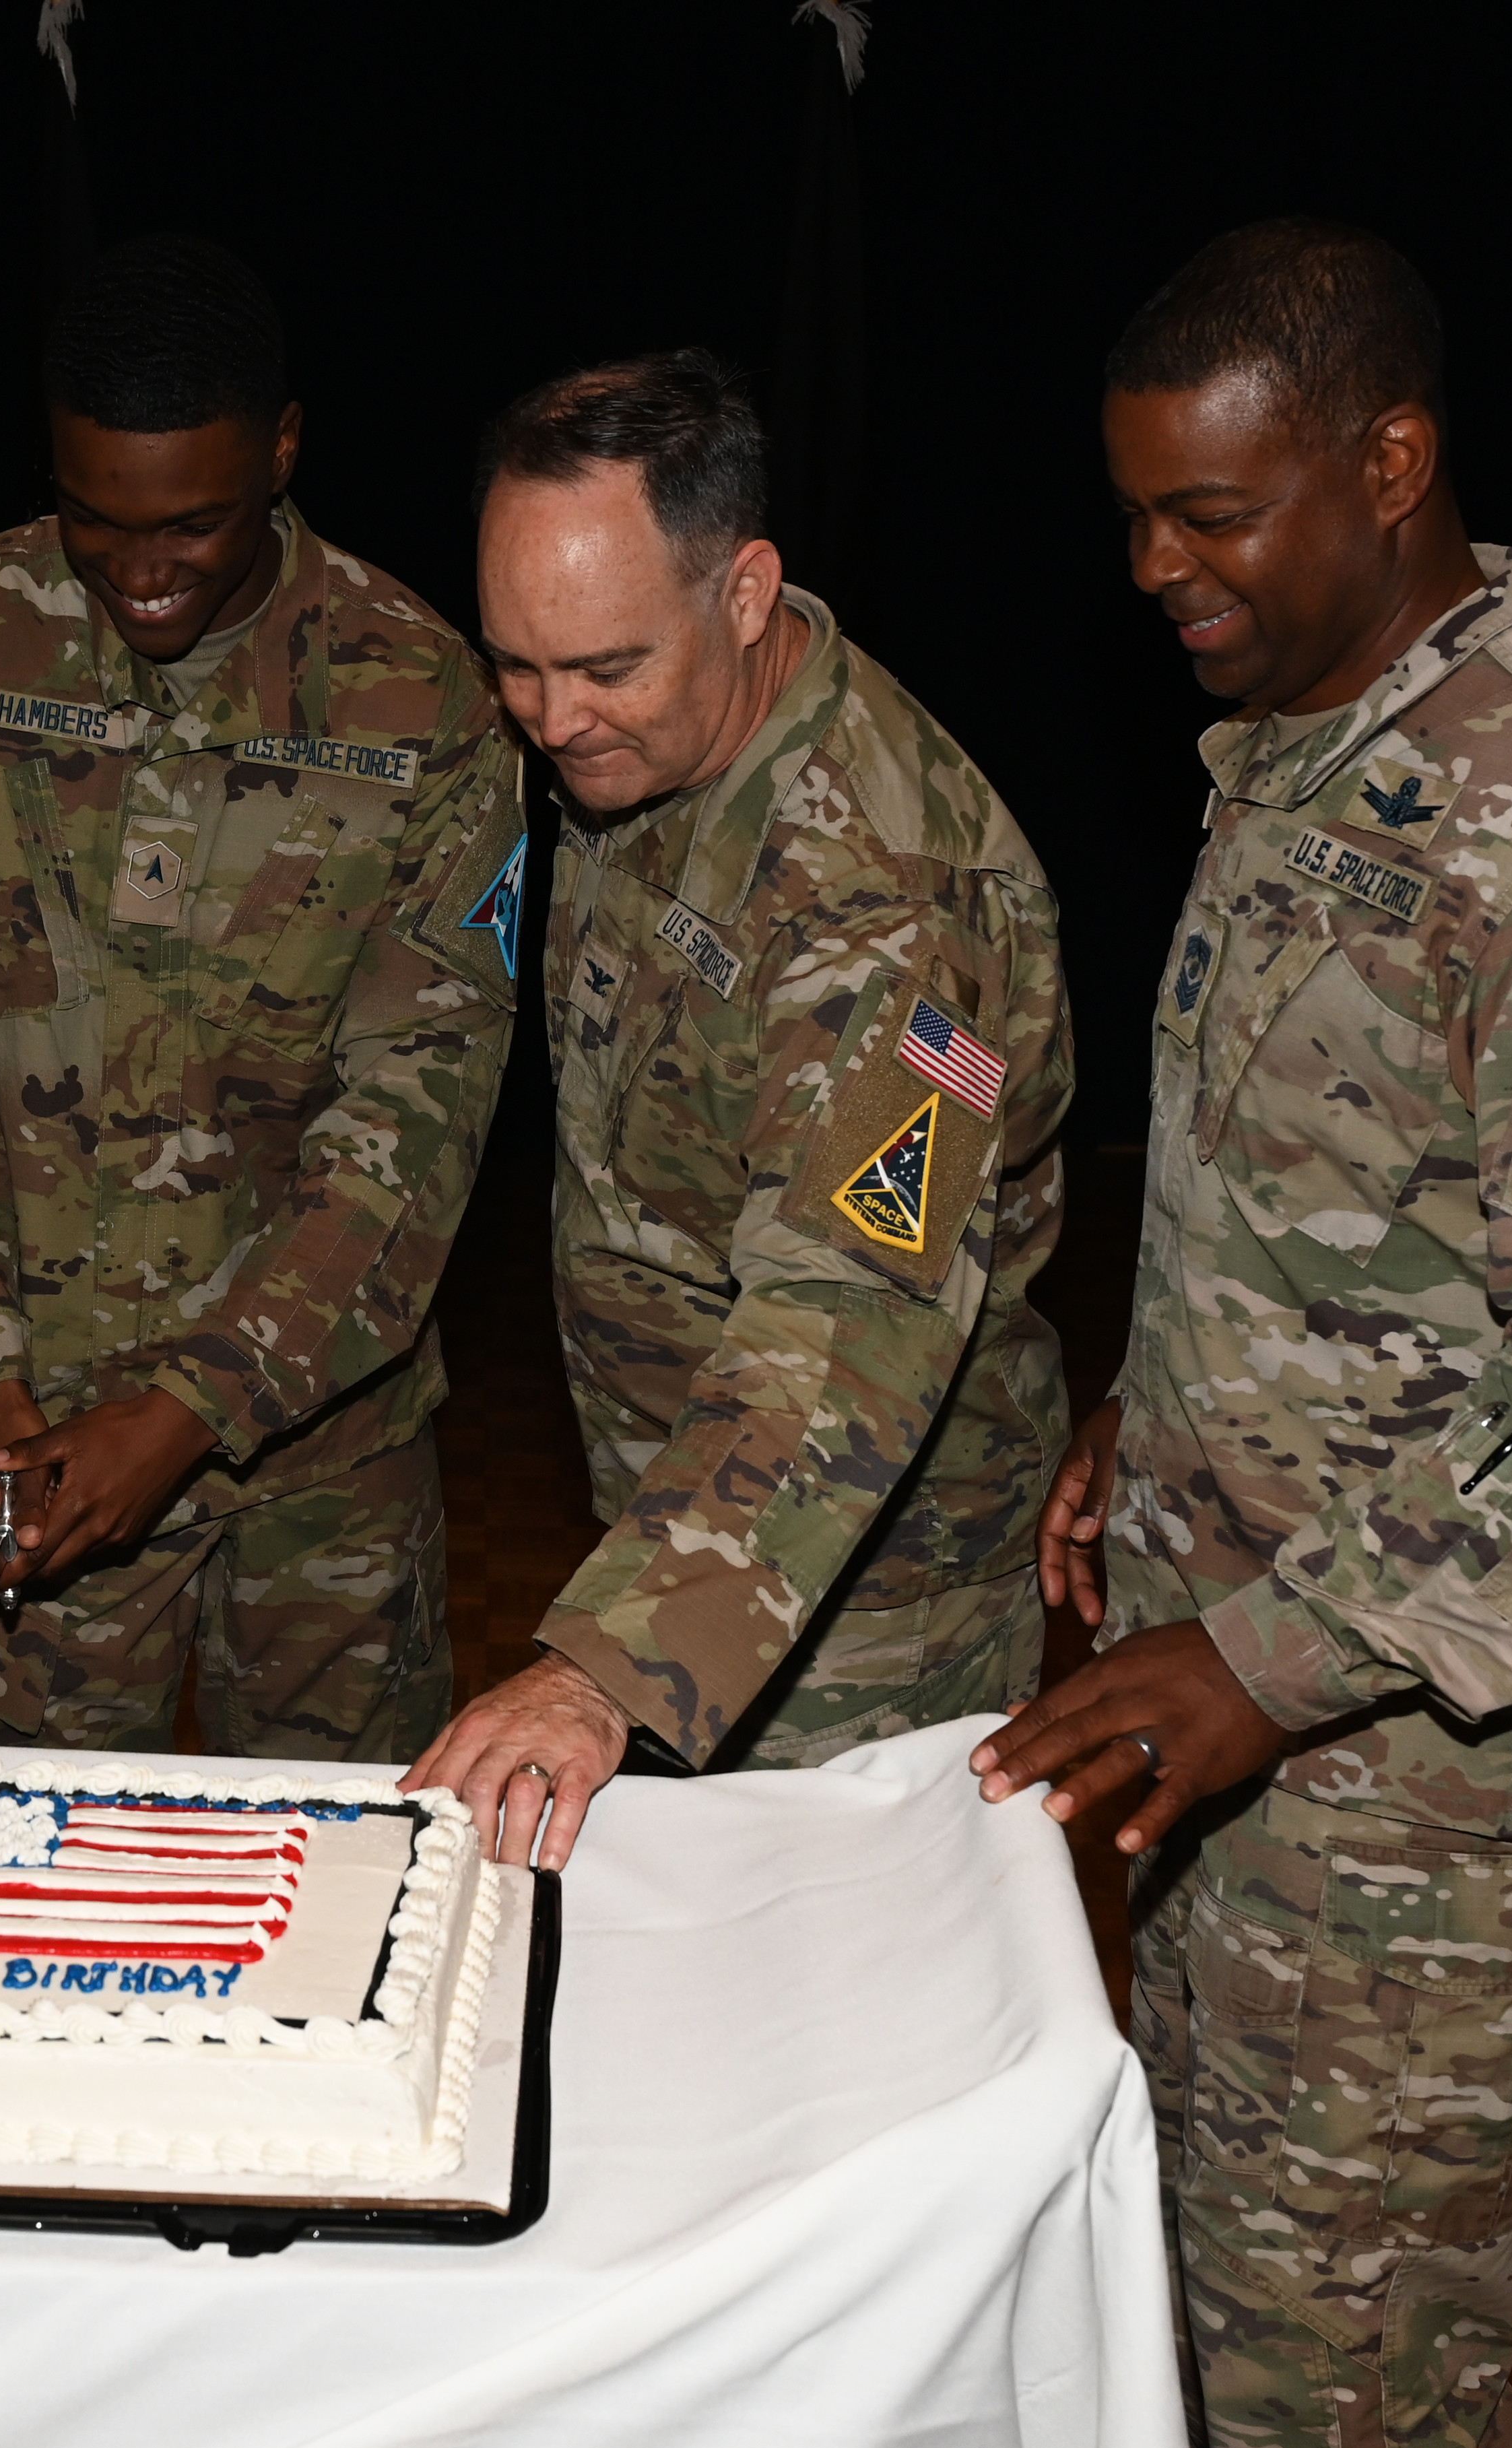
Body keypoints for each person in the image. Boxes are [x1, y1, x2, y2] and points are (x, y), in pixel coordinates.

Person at [977, 220, 1512, 2448]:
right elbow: (1352, 1230)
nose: (1155, 564)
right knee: (1241, 2323)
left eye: (1212, 512)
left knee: (1341, 2401)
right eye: (1135, 512)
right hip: (1264, 1709)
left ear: (1392, 461)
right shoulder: (1307, 754)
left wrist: (1265, 1646)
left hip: (1448, 1784)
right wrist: (1147, 1425)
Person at [0, 233, 523, 1759]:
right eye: (94, 520)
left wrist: (198, 1406)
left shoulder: (420, 694)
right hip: (36, 1440)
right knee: (15, 1916)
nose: (143, 574)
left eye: (195, 527)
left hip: (324, 1455)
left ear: (282, 450)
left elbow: (415, 1114)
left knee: (341, 1902)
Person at [409, 352, 1074, 1869]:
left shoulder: (888, 909)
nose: (552, 719)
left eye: (604, 667)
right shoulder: (655, 748)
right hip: (684, 1537)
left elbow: (847, 1315)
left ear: (749, 590)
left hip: (853, 1608)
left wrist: (605, 1664)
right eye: (515, 662)